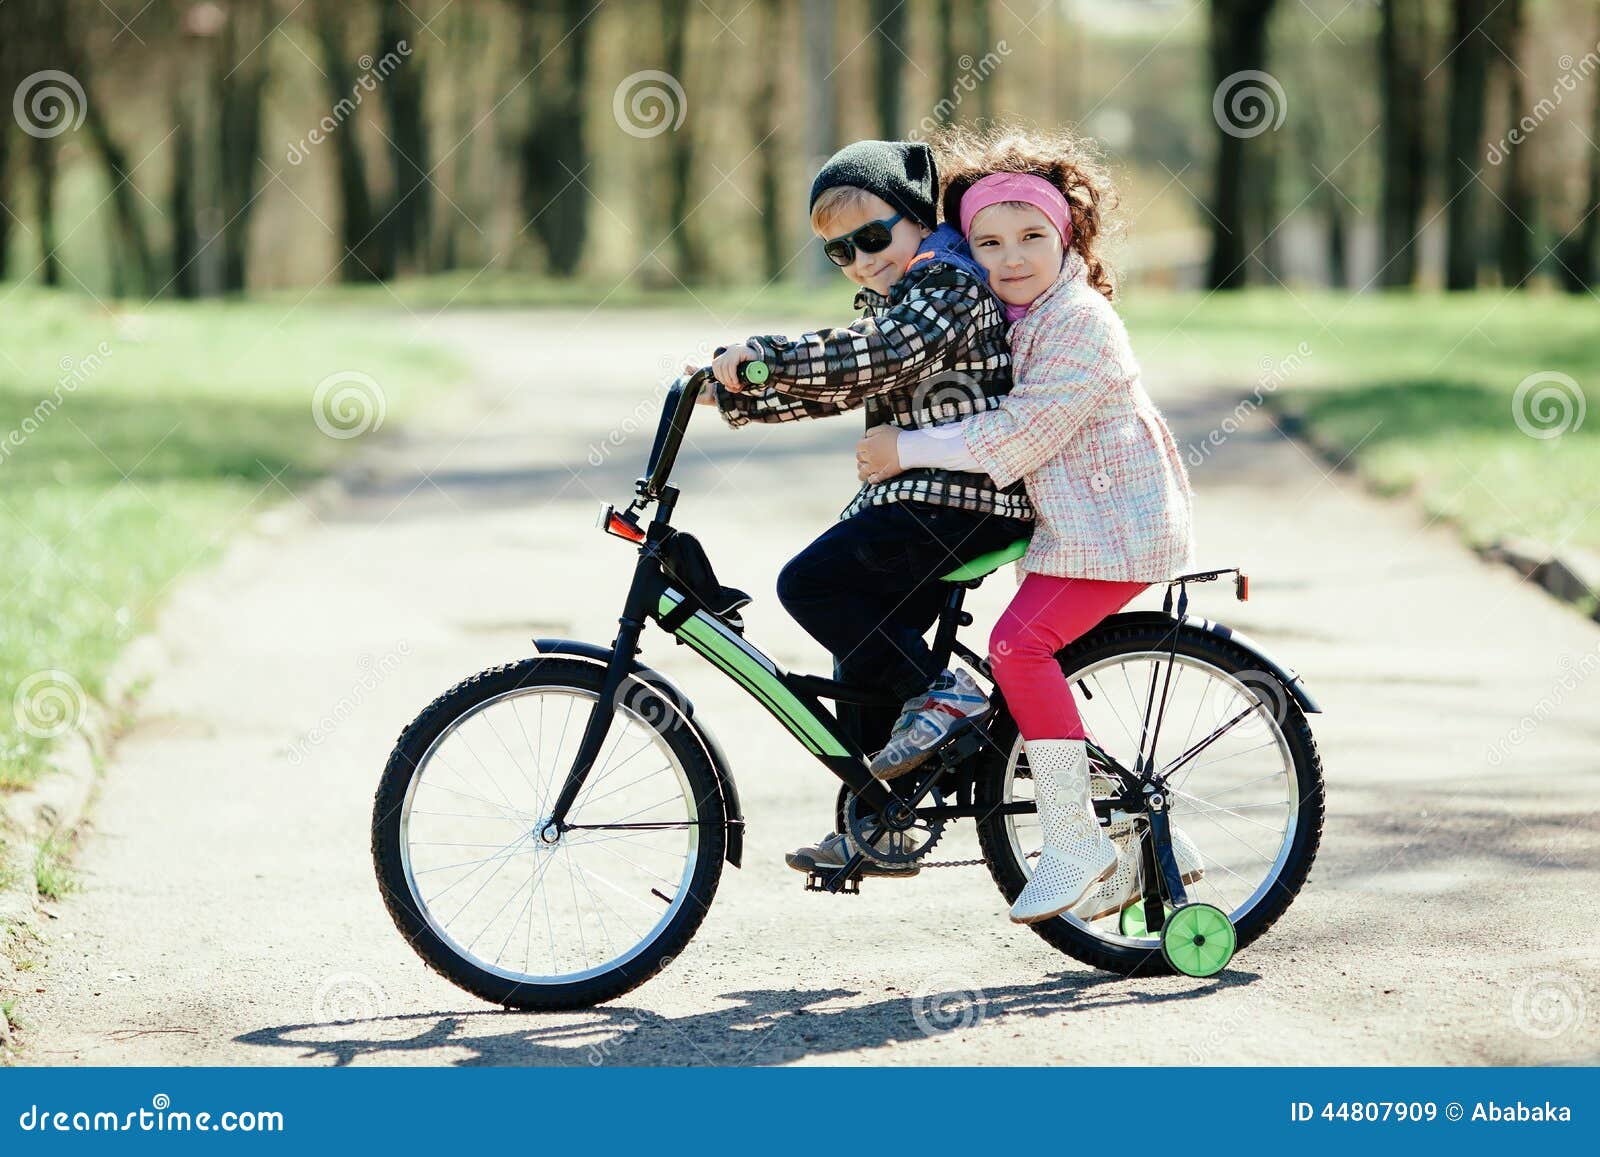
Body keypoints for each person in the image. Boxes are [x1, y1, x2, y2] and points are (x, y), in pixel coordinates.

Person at [854, 127, 1203, 923]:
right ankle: (1136, 844)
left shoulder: (1079, 319)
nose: (1011, 258)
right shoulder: (1018, 312)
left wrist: (903, 449)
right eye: (989, 243)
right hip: (1075, 530)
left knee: (1018, 645)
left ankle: (1073, 836)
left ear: (1067, 235)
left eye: (1031, 238)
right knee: (1013, 659)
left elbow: (1023, 432)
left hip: (1119, 530)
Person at [698, 139, 1033, 879]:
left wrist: (768, 355)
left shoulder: (948, 286)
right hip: (927, 501)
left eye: (872, 237)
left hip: (965, 500)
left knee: (813, 584)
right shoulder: (903, 291)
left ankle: (945, 696)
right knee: (859, 658)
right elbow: (846, 385)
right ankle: (880, 820)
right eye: (838, 253)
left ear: (915, 217)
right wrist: (741, 393)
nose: (859, 259)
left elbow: (872, 355)